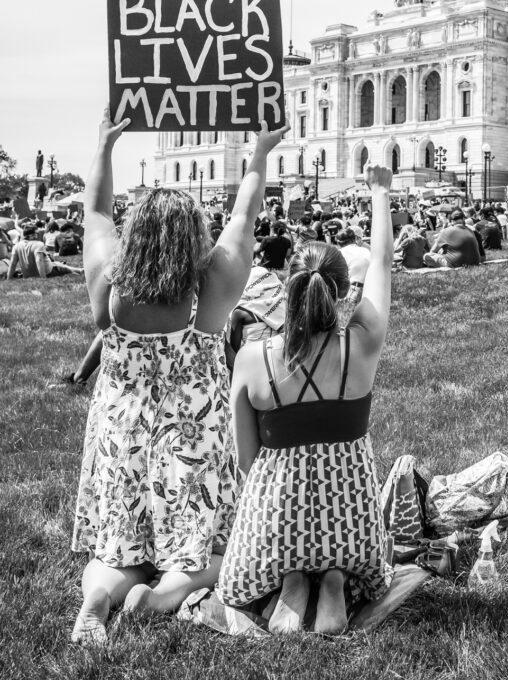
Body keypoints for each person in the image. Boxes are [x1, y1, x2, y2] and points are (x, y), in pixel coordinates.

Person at [69, 107, 289, 645]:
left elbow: (95, 215)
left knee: (116, 547)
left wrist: (104, 144)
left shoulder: (110, 288)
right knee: (214, 548)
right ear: (193, 235)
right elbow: (244, 218)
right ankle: (166, 594)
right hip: (193, 438)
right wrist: (259, 153)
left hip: (122, 431)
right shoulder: (210, 290)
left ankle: (98, 600)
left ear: (135, 235)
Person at [217, 164, 395, 636]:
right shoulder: (360, 347)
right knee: (339, 549)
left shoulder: (253, 359)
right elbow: (380, 263)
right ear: (340, 291)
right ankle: (334, 579)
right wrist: (380, 194)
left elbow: (246, 459)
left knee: (284, 540)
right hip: (351, 523)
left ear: (287, 286)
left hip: (275, 524)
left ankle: (293, 579)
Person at [3, 222, 83, 279]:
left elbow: (13, 263)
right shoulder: (38, 244)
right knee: (63, 268)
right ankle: (80, 270)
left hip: (27, 274)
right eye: (37, 234)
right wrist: (43, 278)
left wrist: (9, 278)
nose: (38, 235)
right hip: (47, 272)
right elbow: (39, 261)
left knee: (56, 263)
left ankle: (78, 270)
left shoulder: (17, 246)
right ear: (31, 236)